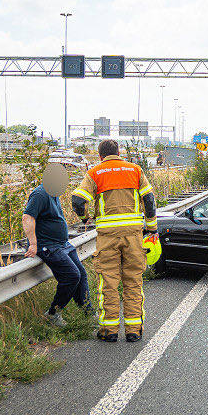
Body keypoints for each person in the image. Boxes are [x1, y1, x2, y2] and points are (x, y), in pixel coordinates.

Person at [72, 139, 158, 343]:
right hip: (134, 236)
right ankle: (134, 330)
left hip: (107, 237)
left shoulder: (95, 173)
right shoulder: (135, 170)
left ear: (100, 155)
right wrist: (152, 228)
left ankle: (109, 331)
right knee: (133, 282)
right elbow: (149, 200)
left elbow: (77, 200)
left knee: (109, 284)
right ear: (119, 152)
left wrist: (85, 218)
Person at [23, 163, 92, 327]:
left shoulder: (52, 193)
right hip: (48, 245)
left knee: (81, 274)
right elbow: (27, 217)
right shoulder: (40, 194)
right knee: (71, 276)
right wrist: (33, 244)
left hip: (62, 244)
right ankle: (53, 313)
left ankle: (88, 313)